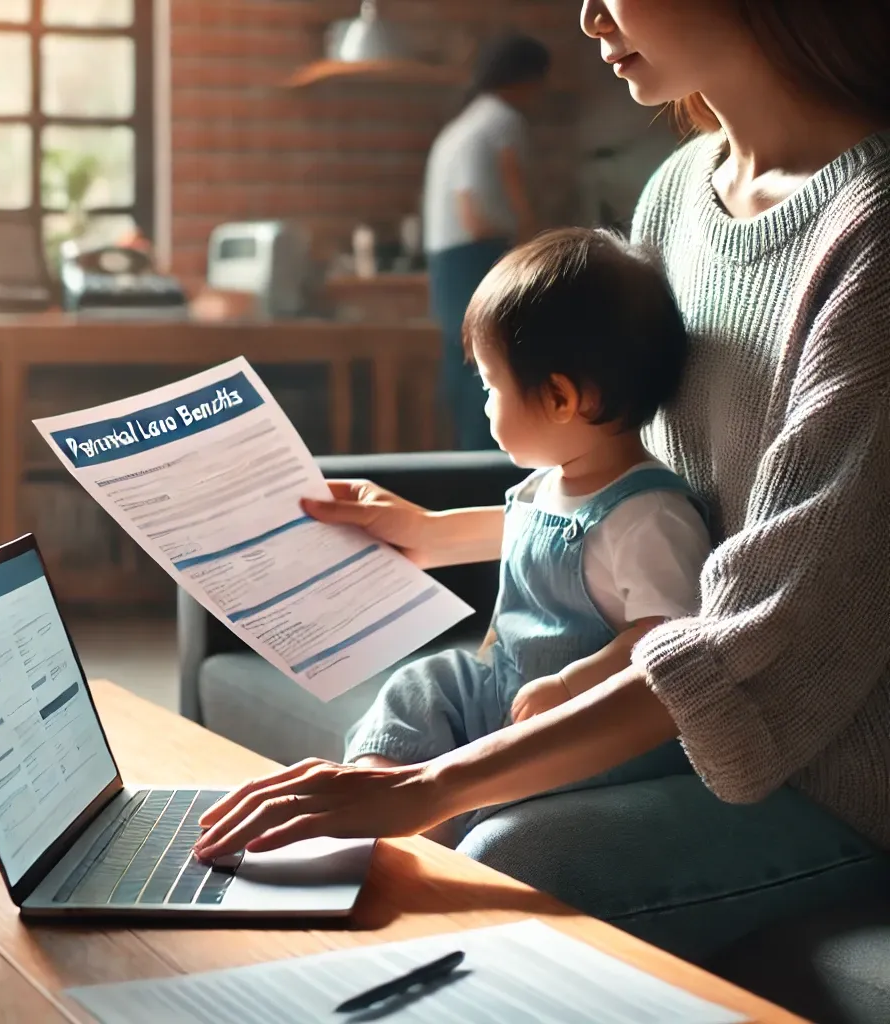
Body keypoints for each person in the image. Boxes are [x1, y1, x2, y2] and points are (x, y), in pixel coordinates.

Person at [196, 0, 890, 965]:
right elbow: (617, 488)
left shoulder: (872, 240)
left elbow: (765, 633)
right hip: (664, 710)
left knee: (509, 852)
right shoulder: (677, 194)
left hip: (821, 770)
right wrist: (436, 534)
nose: (588, 13)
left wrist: (431, 788)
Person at [342, 227, 711, 850]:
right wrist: (422, 530)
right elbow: (513, 531)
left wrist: (574, 685)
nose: (484, 404)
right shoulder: (552, 484)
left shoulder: (651, 515)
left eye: (491, 386)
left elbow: (665, 640)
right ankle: (377, 803)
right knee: (422, 685)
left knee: (513, 769)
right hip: (506, 685)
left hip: (585, 726)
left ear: (564, 398)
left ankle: (427, 829)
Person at [423, 32, 550, 451]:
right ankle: (491, 465)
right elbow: (496, 203)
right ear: (527, 79)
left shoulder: (465, 122)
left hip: (446, 262)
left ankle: (466, 463)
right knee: (494, 367)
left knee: (464, 369)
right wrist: (538, 244)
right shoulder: (503, 121)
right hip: (480, 256)